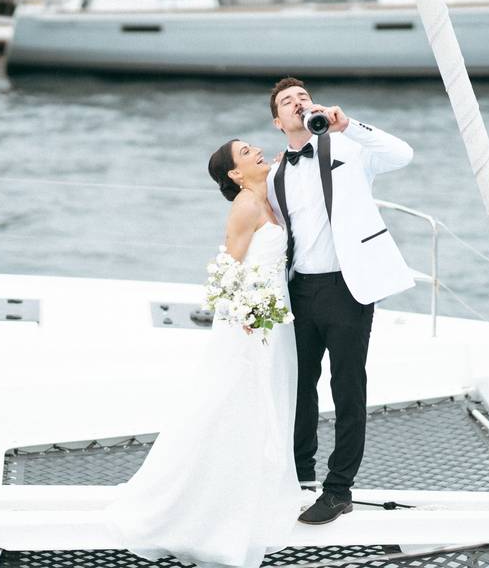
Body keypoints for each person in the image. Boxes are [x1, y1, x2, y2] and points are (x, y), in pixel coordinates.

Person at [105, 140, 300, 568]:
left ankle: (254, 495)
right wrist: (245, 312)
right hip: (251, 325)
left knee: (265, 404)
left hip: (273, 319)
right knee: (234, 406)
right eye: (248, 152)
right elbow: (228, 266)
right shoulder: (246, 207)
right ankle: (208, 508)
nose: (258, 152)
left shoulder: (266, 196)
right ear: (234, 172)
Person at [266, 77, 416, 525]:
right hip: (300, 291)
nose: (298, 104)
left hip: (348, 288)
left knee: (347, 387)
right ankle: (299, 476)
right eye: (287, 102)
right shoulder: (275, 173)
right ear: (278, 121)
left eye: (303, 98)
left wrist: (349, 125)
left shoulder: (348, 148)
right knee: (300, 387)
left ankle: (339, 489)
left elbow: (402, 155)